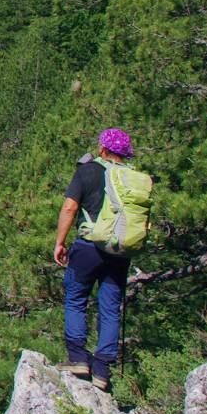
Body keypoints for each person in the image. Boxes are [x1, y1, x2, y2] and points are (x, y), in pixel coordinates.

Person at [53, 128, 138, 392]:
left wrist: (59, 242)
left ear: (103, 149)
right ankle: (102, 371)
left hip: (88, 247)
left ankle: (78, 357)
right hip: (119, 251)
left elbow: (70, 207)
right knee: (111, 308)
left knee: (76, 298)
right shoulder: (133, 179)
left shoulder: (87, 171)